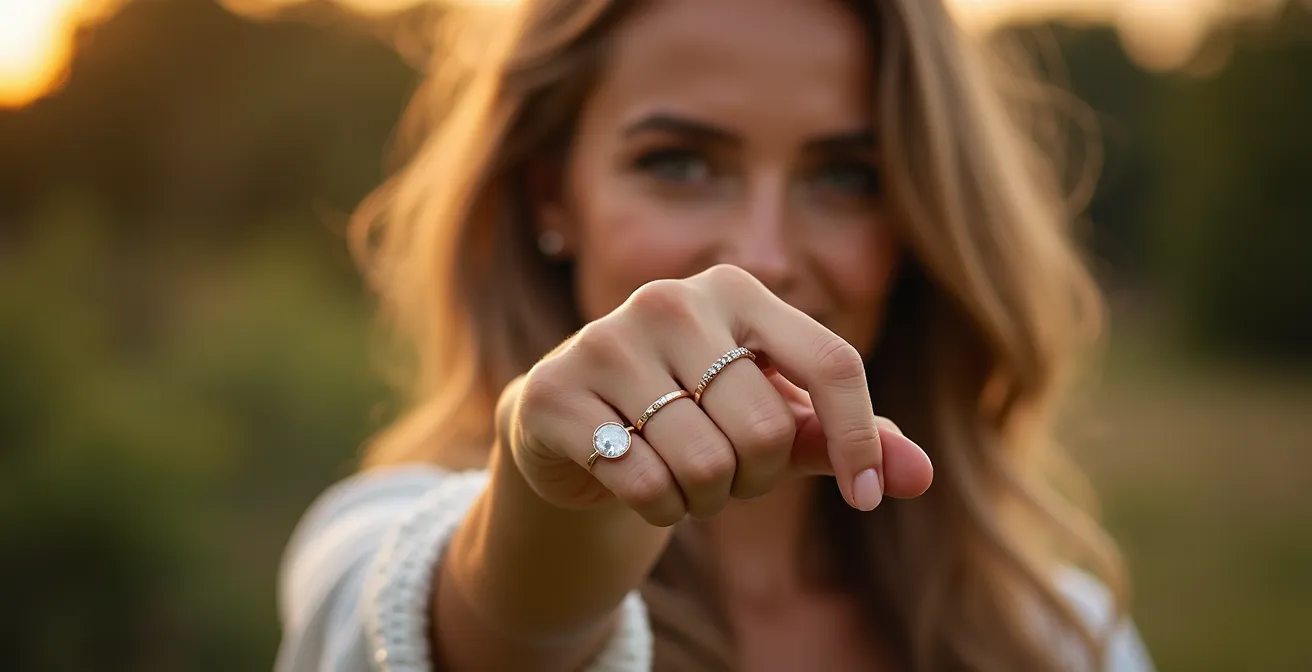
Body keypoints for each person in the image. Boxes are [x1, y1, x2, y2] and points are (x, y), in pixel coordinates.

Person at [276, 0, 1154, 670]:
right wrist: (550, 518)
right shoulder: (372, 542)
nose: (763, 258)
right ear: (552, 197)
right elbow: (454, 632)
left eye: (847, 177)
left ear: (918, 226)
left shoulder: (1060, 635)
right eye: (678, 163)